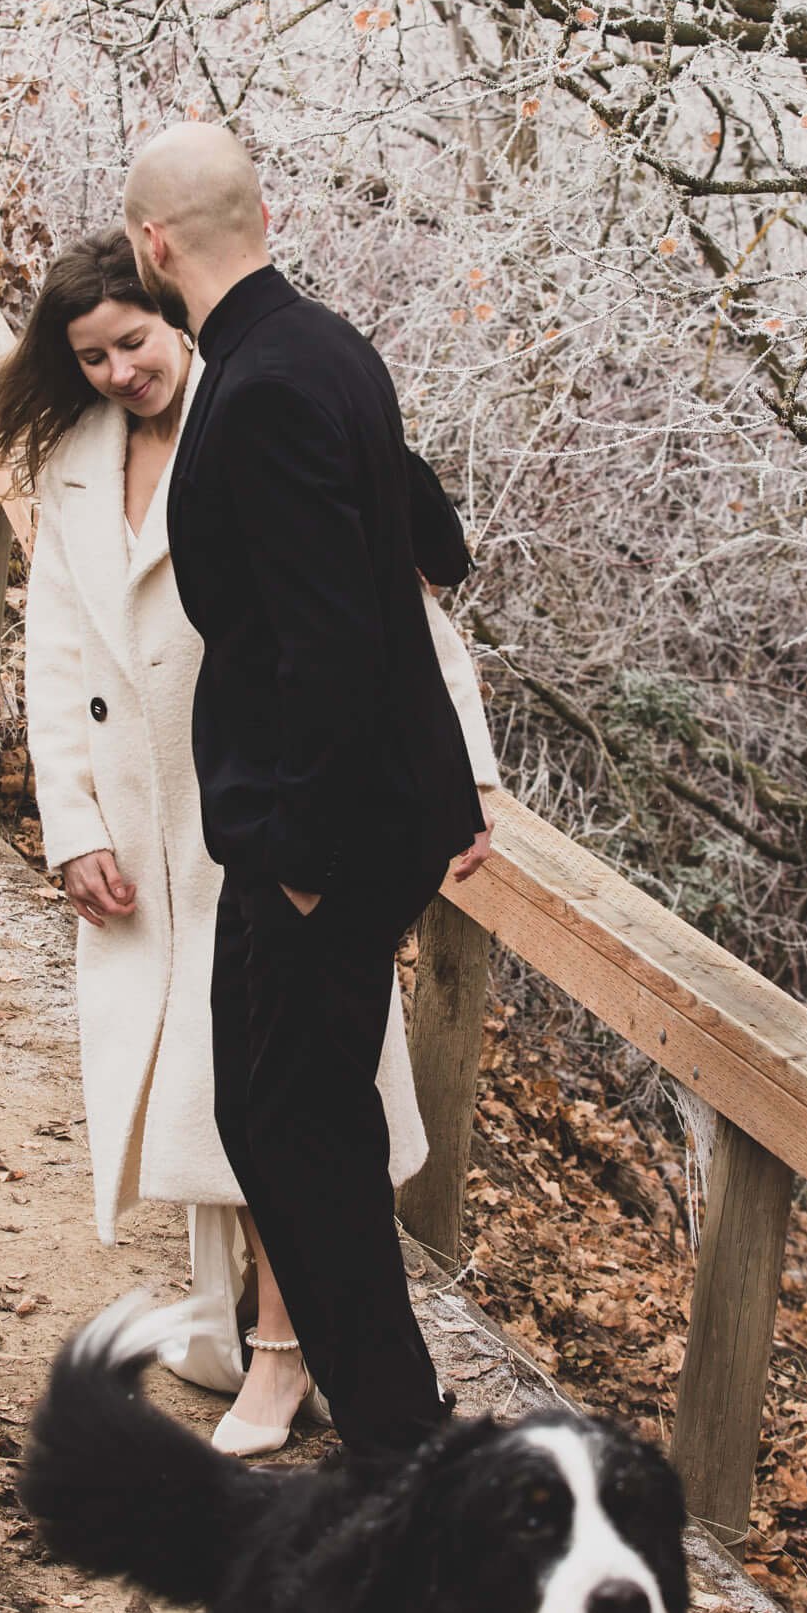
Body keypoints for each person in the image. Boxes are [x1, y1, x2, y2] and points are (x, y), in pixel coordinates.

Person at [0, 228, 501, 1454]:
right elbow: (56, 648)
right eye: (87, 357)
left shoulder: (258, 410)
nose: (114, 374)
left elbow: (384, 604)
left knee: (272, 1105)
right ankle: (234, 1325)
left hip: (261, 808)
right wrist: (72, 822)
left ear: (176, 316)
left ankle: (282, 1357)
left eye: (131, 343)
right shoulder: (77, 460)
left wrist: (461, 765)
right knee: (212, 1100)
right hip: (148, 819)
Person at [125, 124, 492, 1464]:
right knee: (288, 1115)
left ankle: (403, 1446)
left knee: (290, 1119)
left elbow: (328, 633)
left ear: (155, 245)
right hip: (363, 805)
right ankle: (402, 1424)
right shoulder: (325, 349)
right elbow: (423, 535)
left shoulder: (267, 382)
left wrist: (299, 852)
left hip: (327, 823)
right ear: (261, 212)